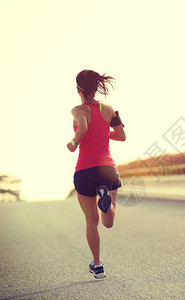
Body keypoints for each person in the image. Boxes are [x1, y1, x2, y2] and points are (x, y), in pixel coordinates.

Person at [67, 69, 126, 279]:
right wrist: (102, 132)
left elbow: (82, 128)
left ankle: (98, 265)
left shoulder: (78, 109)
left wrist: (73, 143)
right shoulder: (108, 108)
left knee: (91, 220)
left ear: (78, 90)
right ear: (96, 87)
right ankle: (106, 201)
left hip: (85, 170)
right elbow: (122, 135)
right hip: (107, 169)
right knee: (108, 222)